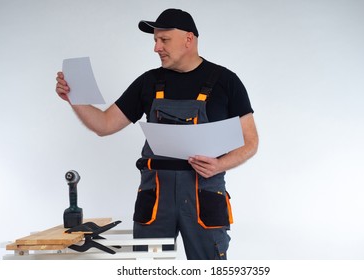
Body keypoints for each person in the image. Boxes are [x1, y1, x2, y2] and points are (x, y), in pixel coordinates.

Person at [55, 8, 258, 260]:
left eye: (164, 40)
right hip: (156, 198)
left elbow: (250, 142)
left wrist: (219, 165)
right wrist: (73, 99)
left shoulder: (226, 82)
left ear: (188, 39)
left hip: (204, 196)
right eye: (155, 40)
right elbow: (104, 125)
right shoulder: (148, 82)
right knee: (149, 268)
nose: (156, 48)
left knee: (210, 269)